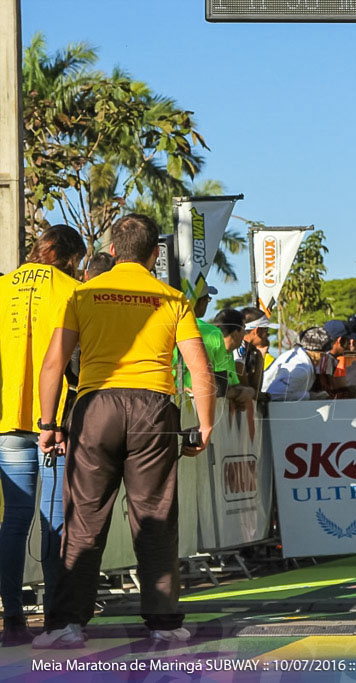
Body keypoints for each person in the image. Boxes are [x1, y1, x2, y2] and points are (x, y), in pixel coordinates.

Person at [33, 214, 215, 648]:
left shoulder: (83, 293)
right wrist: (205, 425)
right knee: (154, 517)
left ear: (112, 250)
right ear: (155, 254)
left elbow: (55, 364)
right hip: (155, 409)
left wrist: (48, 423)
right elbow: (200, 372)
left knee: (84, 520)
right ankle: (165, 623)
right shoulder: (173, 299)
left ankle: (65, 625)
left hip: (95, 407)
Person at [0, 225, 85, 645]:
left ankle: (12, 618)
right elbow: (78, 361)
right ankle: (55, 617)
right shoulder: (72, 289)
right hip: (55, 423)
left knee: (14, 519)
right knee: (55, 520)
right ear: (69, 256)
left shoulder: (3, 287)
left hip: (7, 420)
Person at [262, 327, 333, 401]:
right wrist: (309, 396)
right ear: (321, 355)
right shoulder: (301, 369)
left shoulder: (298, 356)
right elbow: (273, 394)